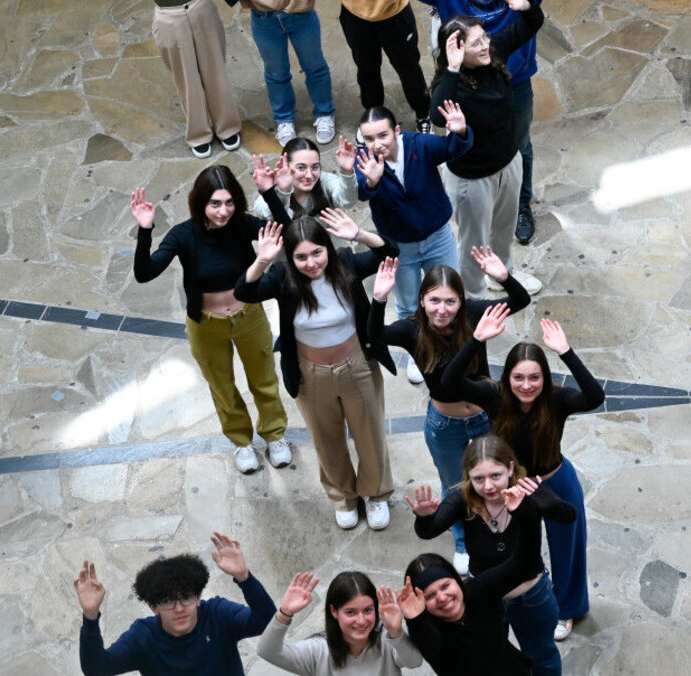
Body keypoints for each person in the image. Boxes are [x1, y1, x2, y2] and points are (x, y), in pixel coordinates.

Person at [441, 314, 603, 641]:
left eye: (534, 378)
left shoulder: (557, 399)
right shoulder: (494, 395)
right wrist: (476, 339)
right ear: (507, 377)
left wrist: (566, 353)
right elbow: (449, 382)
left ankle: (568, 609)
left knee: (567, 547)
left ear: (544, 378)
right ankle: (512, 602)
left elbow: (595, 397)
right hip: (509, 488)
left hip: (555, 481)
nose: (526, 386)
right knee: (511, 549)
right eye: (518, 377)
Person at [235, 211, 400, 530]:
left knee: (370, 433)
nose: (311, 262)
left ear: (327, 248)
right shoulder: (282, 278)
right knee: (327, 440)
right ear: (290, 257)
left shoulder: (347, 264)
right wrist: (263, 260)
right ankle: (344, 497)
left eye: (317, 252)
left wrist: (359, 234)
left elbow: (390, 253)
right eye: (301, 256)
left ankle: (376, 494)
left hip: (357, 366)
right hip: (310, 374)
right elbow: (244, 292)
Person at [371, 247, 530, 575]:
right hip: (446, 423)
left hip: (487, 417)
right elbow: (372, 338)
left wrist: (502, 276)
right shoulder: (411, 329)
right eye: (434, 301)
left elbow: (520, 300)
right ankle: (462, 541)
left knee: (498, 476)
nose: (442, 310)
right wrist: (379, 299)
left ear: (461, 301)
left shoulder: (473, 314)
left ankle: (502, 528)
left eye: (450, 301)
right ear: (421, 301)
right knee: (456, 485)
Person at [130, 167, 290, 474]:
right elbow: (144, 273)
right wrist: (145, 229)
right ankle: (242, 442)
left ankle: (275, 436)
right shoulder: (183, 234)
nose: (223, 211)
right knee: (222, 387)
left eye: (229, 202)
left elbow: (291, 232)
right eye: (215, 203)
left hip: (249, 316)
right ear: (200, 202)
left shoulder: (242, 224)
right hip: (206, 325)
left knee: (265, 380)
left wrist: (270, 193)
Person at [408, 436, 579, 675]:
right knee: (488, 656)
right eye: (479, 478)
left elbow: (569, 516)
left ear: (510, 468)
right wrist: (424, 516)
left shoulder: (527, 492)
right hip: (482, 601)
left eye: (495, 476)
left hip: (530, 597)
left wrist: (547, 503)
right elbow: (428, 531)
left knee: (542, 656)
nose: (488, 486)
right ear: (469, 476)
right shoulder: (463, 500)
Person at [428, 0, 546, 297]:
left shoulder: (494, 54)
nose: (484, 46)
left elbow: (532, 24)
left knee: (503, 230)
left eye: (485, 38)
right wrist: (453, 69)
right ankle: (473, 294)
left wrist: (526, 6)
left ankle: (502, 274)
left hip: (508, 164)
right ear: (456, 51)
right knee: (474, 243)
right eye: (475, 43)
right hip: (472, 180)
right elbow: (434, 114)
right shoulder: (451, 83)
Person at [354, 102, 473, 362]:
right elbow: (362, 190)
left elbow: (452, 149)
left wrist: (461, 132)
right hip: (400, 247)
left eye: (383, 135)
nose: (377, 144)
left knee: (448, 293)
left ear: (397, 131)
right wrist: (373, 180)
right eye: (369, 138)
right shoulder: (365, 160)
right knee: (408, 306)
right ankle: (420, 353)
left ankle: (454, 345)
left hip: (438, 238)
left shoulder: (420, 144)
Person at [75, 533, 274, 675]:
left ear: (198, 597)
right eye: (168, 602)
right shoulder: (143, 637)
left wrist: (244, 578)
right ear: (154, 607)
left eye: (186, 597)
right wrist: (90, 617)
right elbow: (97, 669)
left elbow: (267, 622)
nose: (179, 608)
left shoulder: (217, 614)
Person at [258, 571, 425, 675]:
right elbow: (267, 651)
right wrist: (284, 613)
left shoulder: (388, 639)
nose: (361, 621)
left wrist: (396, 632)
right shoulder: (318, 649)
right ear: (334, 611)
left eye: (367, 610)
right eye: (350, 612)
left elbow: (414, 661)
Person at [152, 0, 242, 158]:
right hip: (169, 16)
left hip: (200, 6)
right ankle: (198, 133)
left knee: (216, 71)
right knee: (187, 80)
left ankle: (227, 126)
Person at [245, 0, 338, 145]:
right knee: (276, 73)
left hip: (301, 12)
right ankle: (284, 119)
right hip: (263, 15)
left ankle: (325, 113)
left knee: (315, 67)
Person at [338, 0, 433, 133]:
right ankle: (372, 117)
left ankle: (423, 114)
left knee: (409, 69)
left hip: (394, 12)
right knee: (366, 70)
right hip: (355, 13)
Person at [253, 137, 362, 224]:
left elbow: (347, 202)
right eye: (301, 168)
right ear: (284, 165)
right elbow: (271, 219)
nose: (309, 175)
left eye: (315, 167)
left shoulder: (325, 180)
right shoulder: (264, 201)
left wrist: (347, 172)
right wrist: (283, 191)